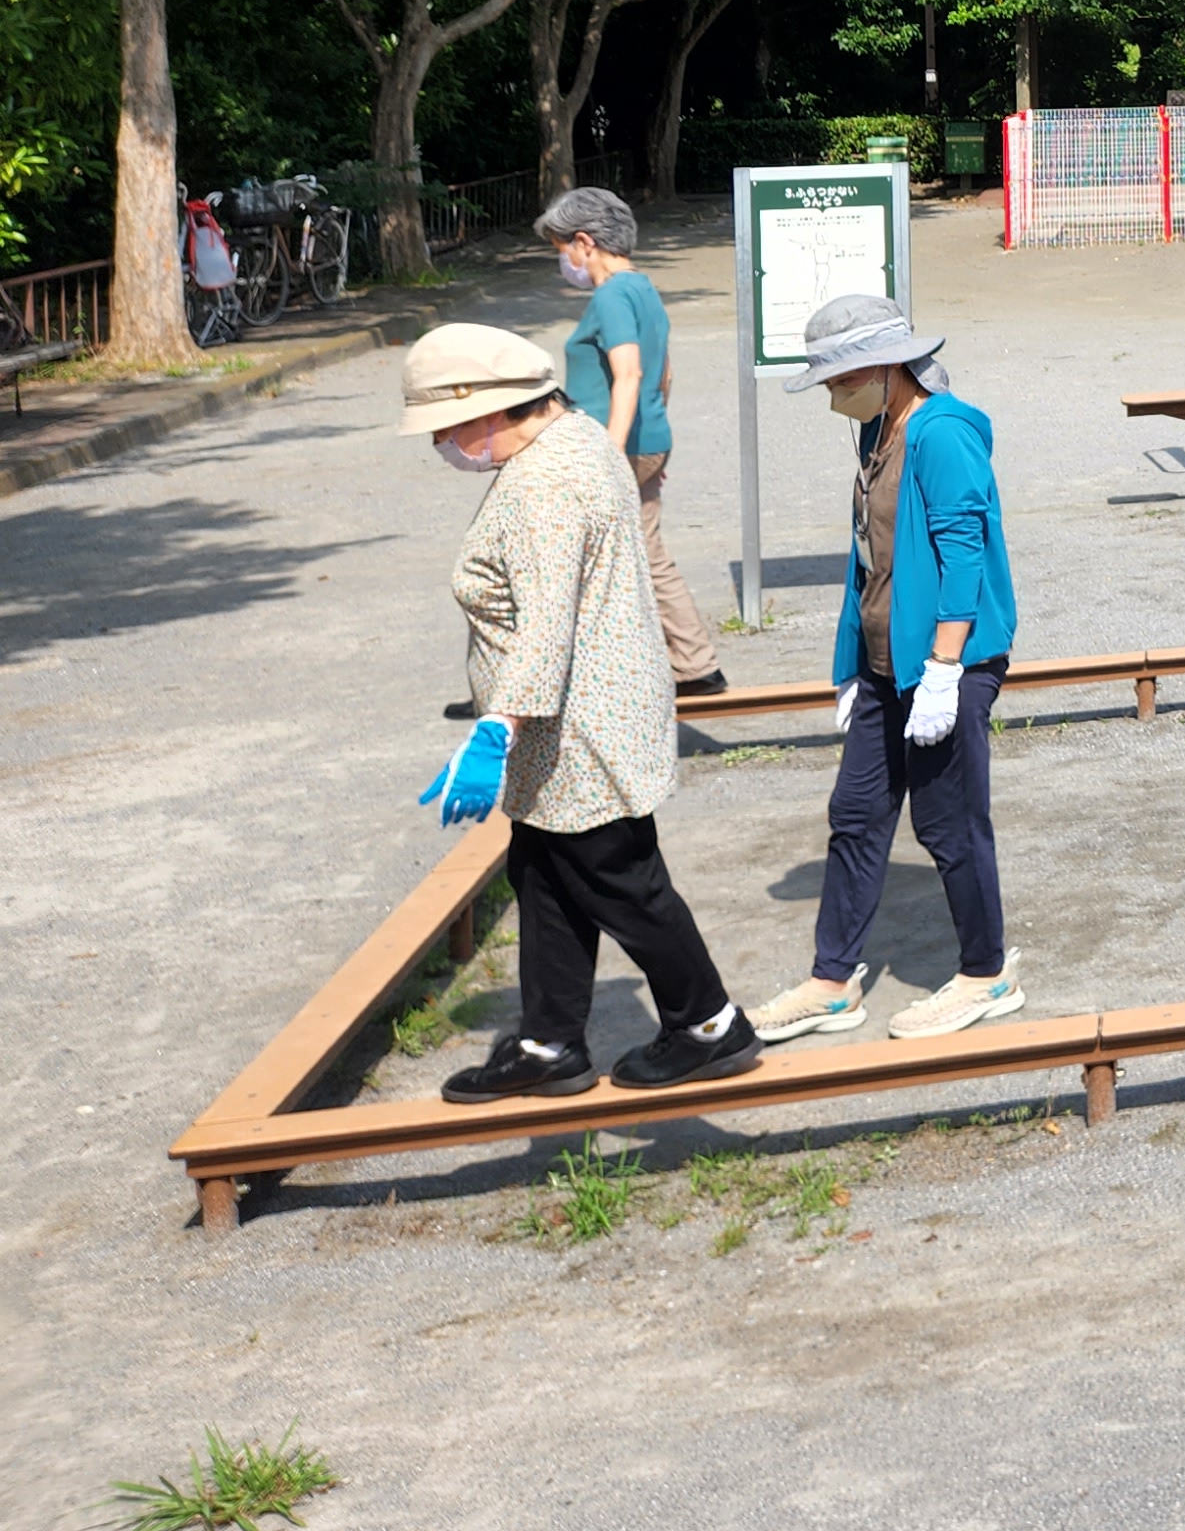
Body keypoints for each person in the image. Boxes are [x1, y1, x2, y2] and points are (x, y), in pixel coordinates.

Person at [403, 323, 758, 1101]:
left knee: (619, 878)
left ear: (487, 411)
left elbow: (546, 622)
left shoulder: (543, 484)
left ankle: (709, 1024)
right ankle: (549, 1039)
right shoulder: (576, 437)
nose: (441, 447)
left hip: (578, 727)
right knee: (546, 875)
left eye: (443, 429)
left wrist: (497, 728)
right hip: (585, 713)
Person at [744, 293, 1028, 1044]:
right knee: (857, 816)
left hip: (945, 665)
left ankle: (986, 973)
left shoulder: (942, 433)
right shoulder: (877, 428)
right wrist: (849, 663)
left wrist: (944, 666)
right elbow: (867, 558)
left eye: (839, 380)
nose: (834, 395)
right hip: (883, 663)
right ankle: (831, 982)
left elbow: (964, 550)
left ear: (883, 366)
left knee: (948, 823)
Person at [537, 188, 724, 700]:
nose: (563, 261)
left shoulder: (612, 294)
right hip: (645, 440)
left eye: (561, 248)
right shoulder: (643, 289)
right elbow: (663, 373)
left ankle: (549, 675)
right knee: (645, 552)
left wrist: (610, 456)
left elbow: (629, 372)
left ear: (584, 242)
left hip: (612, 444)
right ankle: (693, 664)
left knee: (568, 555)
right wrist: (653, 444)